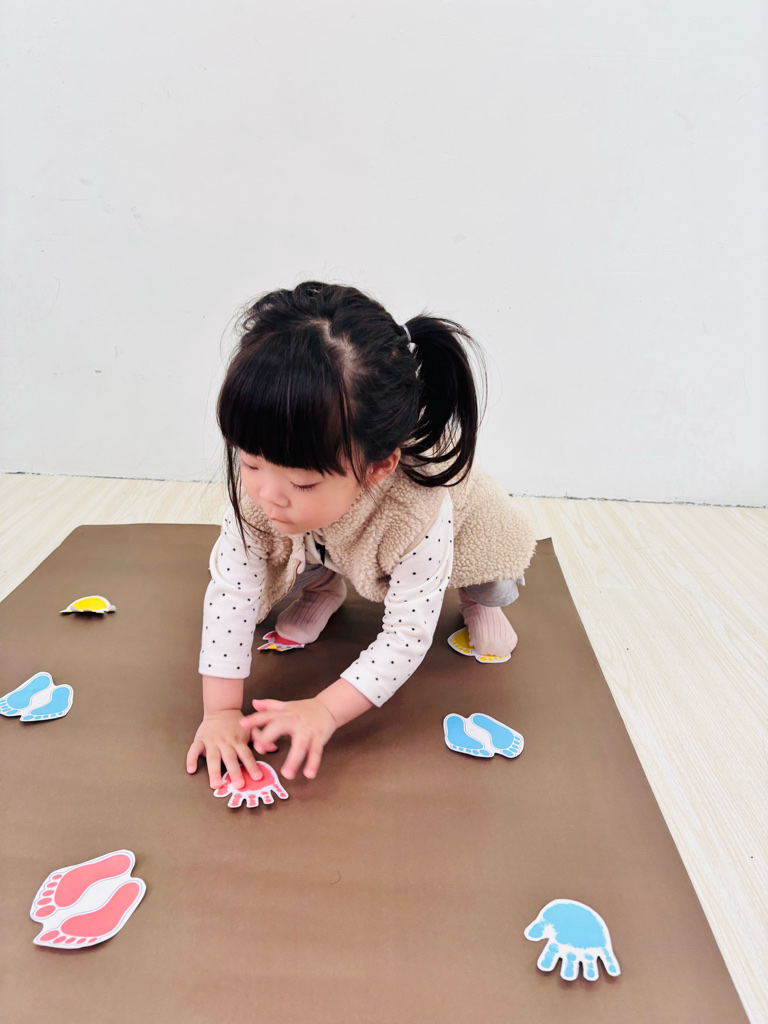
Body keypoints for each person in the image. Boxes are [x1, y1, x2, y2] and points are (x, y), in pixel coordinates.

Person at [186, 281, 536, 790]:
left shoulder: (416, 508)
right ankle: (324, 585)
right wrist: (220, 713)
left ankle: (480, 599)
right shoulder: (267, 494)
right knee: (289, 548)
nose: (267, 494)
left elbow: (407, 634)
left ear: (377, 467)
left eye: (302, 482)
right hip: (328, 538)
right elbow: (232, 592)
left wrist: (326, 710)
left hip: (466, 538)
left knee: (491, 576)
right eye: (251, 461)